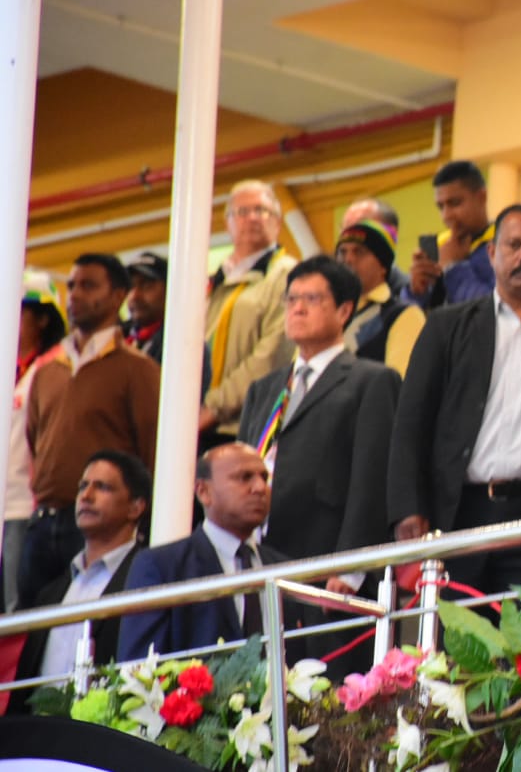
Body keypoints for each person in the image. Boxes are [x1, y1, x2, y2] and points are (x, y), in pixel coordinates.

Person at [387, 205, 521, 597]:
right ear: (492, 254)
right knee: (456, 633)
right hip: (459, 512)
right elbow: (411, 419)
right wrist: (408, 505)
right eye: (514, 245)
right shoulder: (446, 328)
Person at [238, 256, 399, 668]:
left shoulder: (370, 379)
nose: (297, 308)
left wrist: (351, 566)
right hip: (261, 557)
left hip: (325, 559)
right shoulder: (265, 389)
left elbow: (372, 478)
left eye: (311, 299)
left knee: (324, 680)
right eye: (291, 299)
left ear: (344, 310)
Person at [22, 254, 160, 608]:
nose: (75, 295)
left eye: (88, 286)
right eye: (71, 286)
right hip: (42, 521)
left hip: (105, 528)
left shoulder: (137, 369)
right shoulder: (47, 371)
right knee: (32, 628)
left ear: (118, 296)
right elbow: (35, 444)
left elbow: (153, 451)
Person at [117, 443, 287, 661]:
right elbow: (139, 667)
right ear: (204, 492)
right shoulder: (161, 566)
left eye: (264, 477)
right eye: (244, 477)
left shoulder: (285, 568)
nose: (260, 487)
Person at [11, 450, 149, 710]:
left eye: (102, 487)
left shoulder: (147, 581)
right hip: (39, 730)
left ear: (136, 507)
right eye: (82, 486)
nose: (86, 496)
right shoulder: (51, 592)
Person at [201, 180, 298, 446]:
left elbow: (271, 357)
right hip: (195, 420)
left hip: (245, 425)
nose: (252, 218)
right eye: (242, 212)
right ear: (227, 223)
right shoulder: (214, 279)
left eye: (261, 210)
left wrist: (212, 409)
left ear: (277, 221)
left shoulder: (287, 274)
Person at [4, 273, 66, 613]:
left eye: (19, 310)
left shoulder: (57, 367)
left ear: (43, 318)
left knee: (16, 605)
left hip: (24, 505)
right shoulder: (10, 368)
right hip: (8, 502)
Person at [335, 220, 426, 377]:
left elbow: (398, 383)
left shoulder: (403, 315)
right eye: (342, 252)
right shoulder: (327, 315)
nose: (348, 260)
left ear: (383, 266)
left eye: (359, 252)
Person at [407, 160, 495, 307]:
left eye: (455, 203)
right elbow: (410, 316)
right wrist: (416, 292)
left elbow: (492, 310)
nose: (446, 216)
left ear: (482, 197)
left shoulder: (507, 248)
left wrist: (452, 268)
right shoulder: (438, 248)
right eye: (441, 207)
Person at [125, 252, 212, 397]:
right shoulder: (119, 336)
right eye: (130, 287)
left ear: (170, 290)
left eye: (146, 286)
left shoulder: (185, 344)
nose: (135, 295)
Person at [341, 197, 412, 297]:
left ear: (390, 235)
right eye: (344, 230)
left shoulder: (410, 294)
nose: (349, 237)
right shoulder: (337, 296)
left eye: (360, 228)